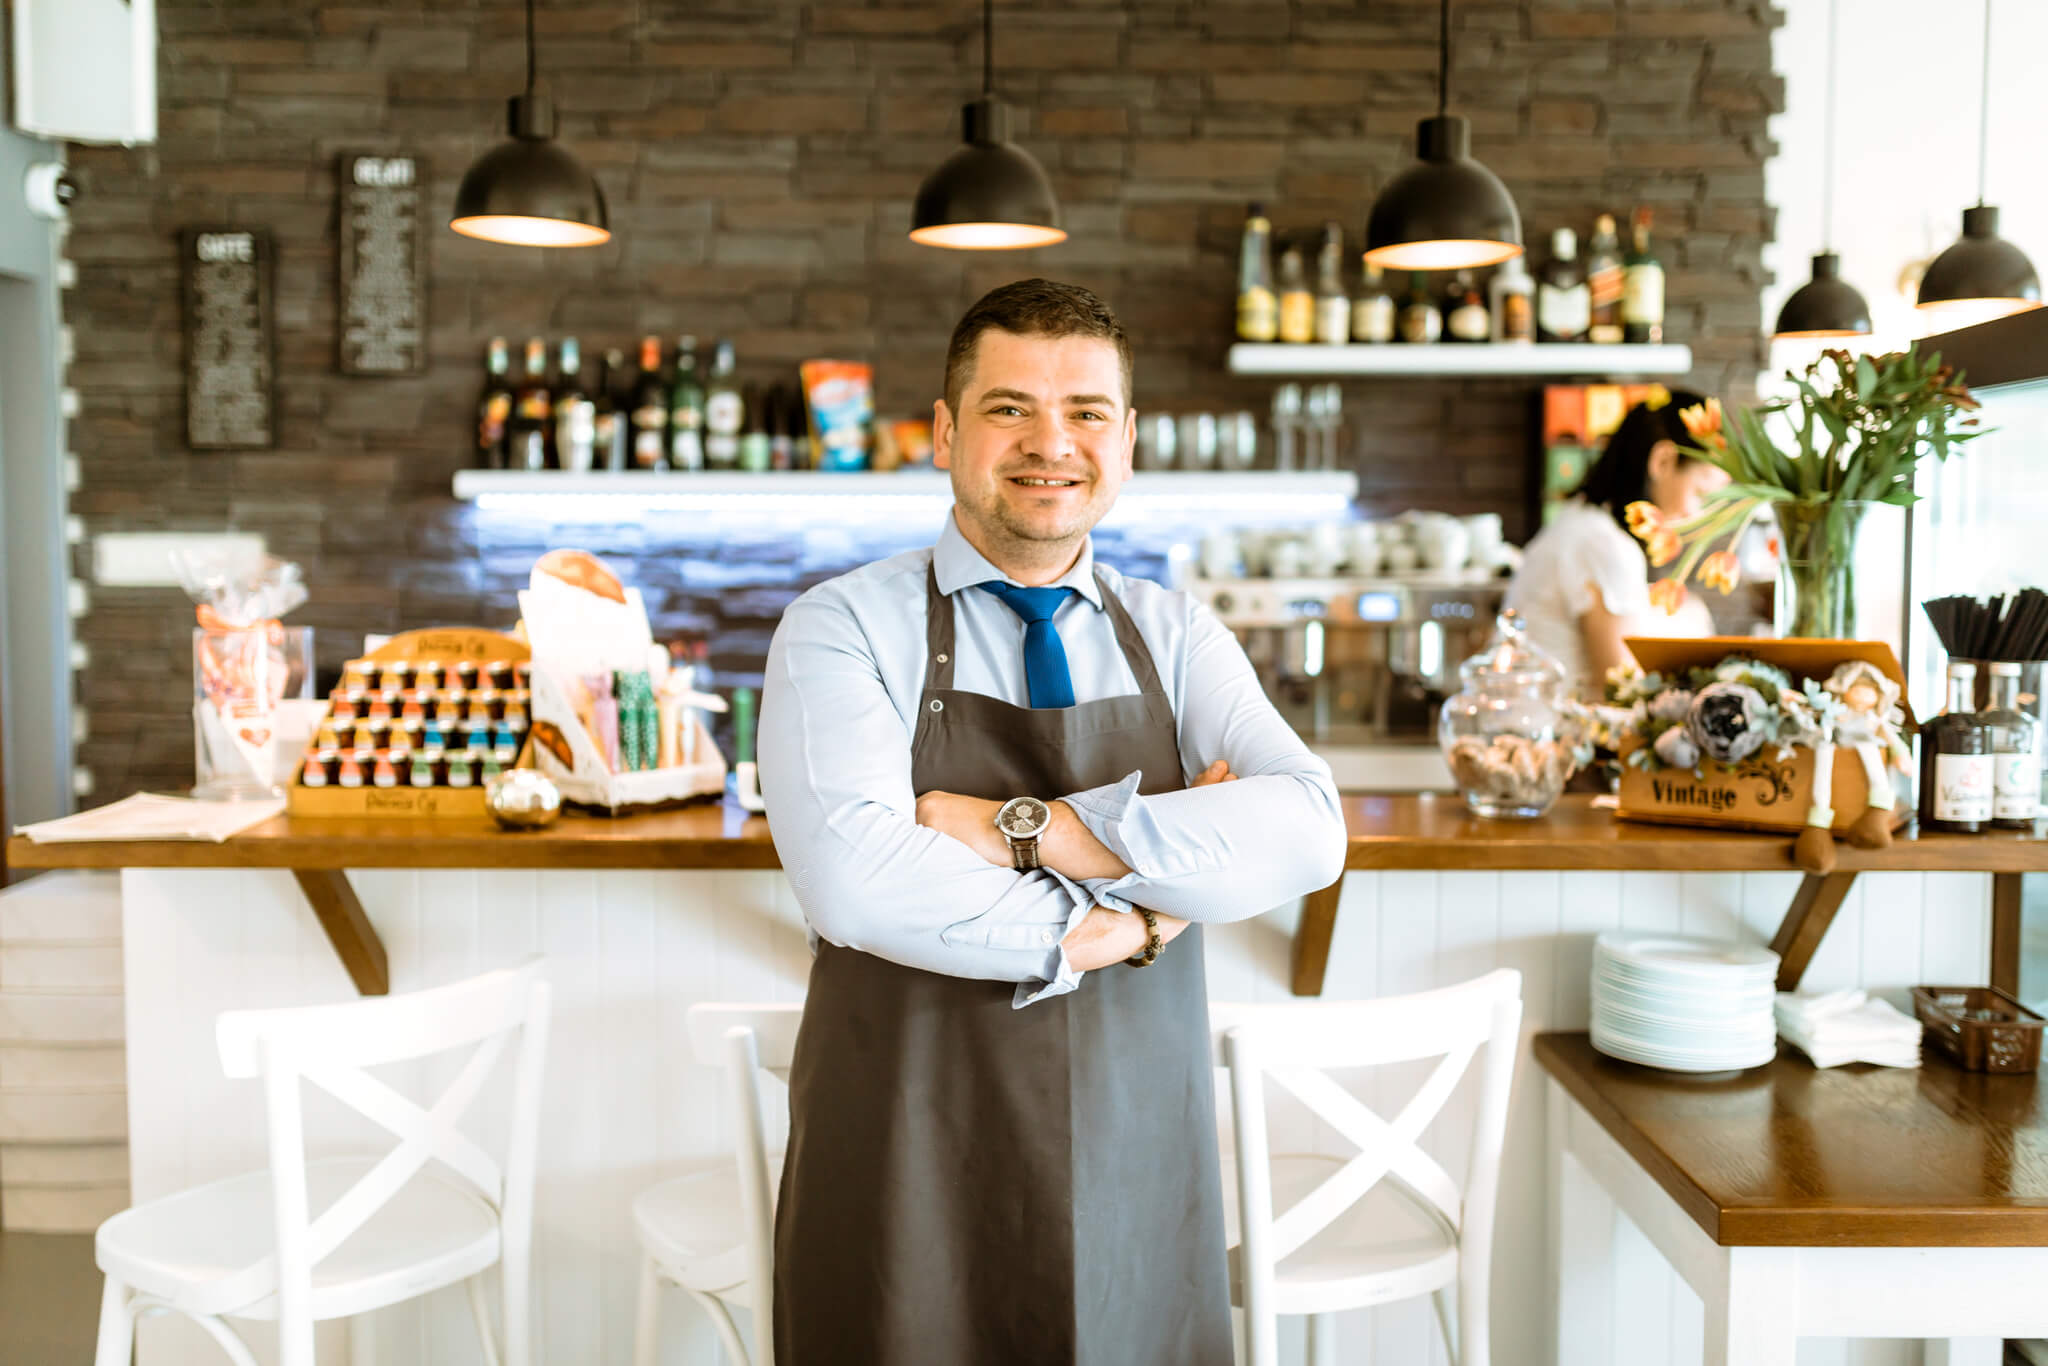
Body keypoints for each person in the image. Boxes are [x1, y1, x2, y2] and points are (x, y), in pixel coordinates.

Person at [758, 278, 1348, 1366]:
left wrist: (1028, 830)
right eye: (1007, 407)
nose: (1049, 442)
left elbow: (1308, 829)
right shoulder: (838, 627)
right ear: (943, 433)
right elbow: (857, 879)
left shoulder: (1179, 633)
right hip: (904, 1151)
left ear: (1124, 442)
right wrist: (1133, 917)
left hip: (1136, 1153)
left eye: (1084, 411)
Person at [1506, 388, 1729, 696]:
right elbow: (1621, 688)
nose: (1699, 514)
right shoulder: (1603, 545)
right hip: (1548, 732)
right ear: (1663, 461)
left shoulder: (1585, 521)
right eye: (1701, 493)